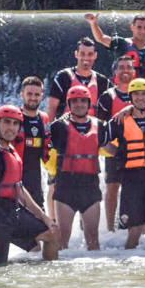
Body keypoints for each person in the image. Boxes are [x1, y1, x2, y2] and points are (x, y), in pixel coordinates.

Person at [0, 105, 58, 265]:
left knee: (50, 234)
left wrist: (44, 216)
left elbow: (20, 189)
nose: (11, 127)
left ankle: (46, 282)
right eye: (7, 122)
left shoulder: (11, 151)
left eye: (15, 124)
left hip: (11, 212)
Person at [104, 78, 145, 249]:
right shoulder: (120, 120)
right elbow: (100, 138)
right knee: (134, 231)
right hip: (132, 179)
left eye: (144, 94)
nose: (140, 98)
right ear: (131, 98)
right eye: (136, 95)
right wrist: (118, 153)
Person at [47, 86, 104, 251]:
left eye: (83, 101)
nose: (79, 104)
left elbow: (113, 147)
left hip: (90, 187)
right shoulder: (57, 127)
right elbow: (45, 150)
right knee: (62, 239)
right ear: (69, 104)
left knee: (93, 240)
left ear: (88, 103)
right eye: (75, 101)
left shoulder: (100, 126)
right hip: (66, 187)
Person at [96, 55, 135, 232]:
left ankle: (134, 227)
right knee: (112, 187)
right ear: (115, 72)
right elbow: (99, 129)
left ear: (134, 72)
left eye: (129, 67)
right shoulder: (107, 97)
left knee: (135, 189)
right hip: (115, 150)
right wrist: (111, 149)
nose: (125, 70)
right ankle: (110, 228)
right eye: (121, 67)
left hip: (137, 149)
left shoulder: (142, 94)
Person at [48, 37, 112, 119]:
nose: (86, 58)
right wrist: (49, 130)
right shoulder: (63, 77)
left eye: (90, 54)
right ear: (76, 54)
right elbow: (51, 108)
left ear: (95, 55)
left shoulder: (103, 81)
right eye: (82, 54)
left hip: (93, 129)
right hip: (65, 128)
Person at [85, 12, 145, 81]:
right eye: (139, 27)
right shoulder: (122, 44)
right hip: (122, 92)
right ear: (132, 27)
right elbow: (101, 38)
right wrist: (93, 23)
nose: (142, 31)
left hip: (143, 94)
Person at [14, 76, 50, 208]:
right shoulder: (12, 117)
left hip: (35, 182)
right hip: (13, 180)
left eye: (37, 94)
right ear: (22, 94)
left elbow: (48, 147)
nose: (33, 98)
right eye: (29, 94)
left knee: (41, 224)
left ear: (42, 96)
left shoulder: (44, 119)